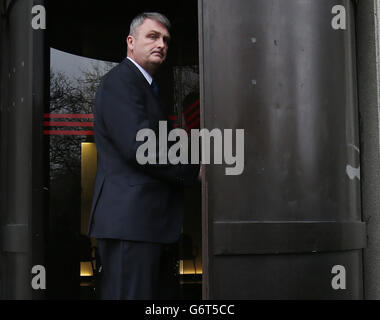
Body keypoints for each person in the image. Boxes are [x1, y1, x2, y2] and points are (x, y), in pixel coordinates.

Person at [87, 12, 200, 299]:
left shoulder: (143, 86)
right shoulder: (121, 82)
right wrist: (192, 168)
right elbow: (141, 147)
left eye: (165, 39)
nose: (161, 43)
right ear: (130, 42)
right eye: (152, 36)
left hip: (143, 224)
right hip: (131, 224)